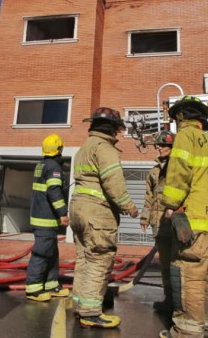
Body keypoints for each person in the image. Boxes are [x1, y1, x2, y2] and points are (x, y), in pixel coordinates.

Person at [160, 96, 208, 338]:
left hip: (191, 220)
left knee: (188, 276)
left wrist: (170, 205)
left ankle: (187, 330)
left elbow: (179, 174)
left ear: (180, 117)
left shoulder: (185, 137)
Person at [70, 107, 139, 329]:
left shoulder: (84, 148)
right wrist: (129, 207)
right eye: (117, 131)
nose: (118, 135)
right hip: (97, 213)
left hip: (79, 210)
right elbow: (113, 183)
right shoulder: (104, 148)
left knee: (84, 259)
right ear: (111, 129)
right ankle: (90, 313)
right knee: (99, 259)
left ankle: (80, 305)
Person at [25, 134, 70, 302]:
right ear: (59, 149)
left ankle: (51, 284)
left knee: (51, 253)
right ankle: (34, 288)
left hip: (41, 217)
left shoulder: (42, 165)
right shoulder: (53, 167)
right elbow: (54, 191)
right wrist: (63, 213)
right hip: (46, 219)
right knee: (42, 254)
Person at [140, 130, 175, 312]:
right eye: (158, 145)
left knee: (177, 264)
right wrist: (145, 217)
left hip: (174, 223)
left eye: (163, 145)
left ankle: (179, 301)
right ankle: (169, 299)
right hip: (159, 224)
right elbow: (149, 197)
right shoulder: (154, 171)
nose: (159, 147)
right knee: (165, 264)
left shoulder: (178, 167)